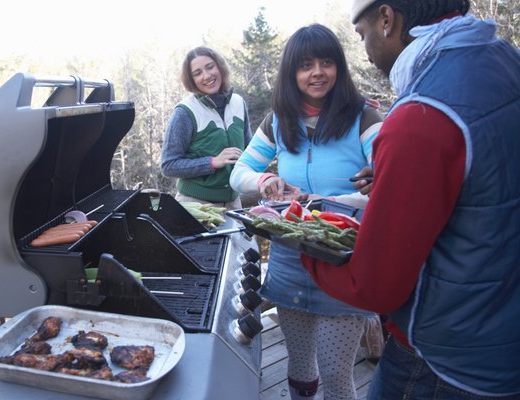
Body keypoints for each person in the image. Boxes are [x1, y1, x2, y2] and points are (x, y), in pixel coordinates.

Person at [301, 1, 520, 398]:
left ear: (386, 19)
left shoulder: (420, 115)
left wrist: (303, 244)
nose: (365, 49)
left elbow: (374, 287)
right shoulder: (504, 59)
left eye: (361, 33)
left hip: (443, 360)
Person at [230, 24, 383, 400]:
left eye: (326, 62)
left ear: (339, 68)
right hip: (289, 256)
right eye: (306, 65)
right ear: (292, 74)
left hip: (342, 256)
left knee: (335, 372)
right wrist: (264, 179)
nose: (317, 72)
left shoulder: (364, 117)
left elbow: (392, 178)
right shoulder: (280, 120)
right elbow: (239, 174)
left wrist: (341, 196)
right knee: (298, 364)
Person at [160, 46, 253, 211]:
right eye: (197, 73)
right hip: (196, 205)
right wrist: (212, 162)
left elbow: (250, 150)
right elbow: (168, 165)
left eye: (210, 67)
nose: (207, 76)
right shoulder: (184, 112)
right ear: (191, 80)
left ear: (220, 67)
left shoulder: (238, 103)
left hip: (234, 204)